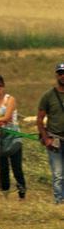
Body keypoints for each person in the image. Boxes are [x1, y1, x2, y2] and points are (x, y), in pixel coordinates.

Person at [37, 62, 64, 205]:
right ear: (56, 75)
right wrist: (45, 137)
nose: (63, 76)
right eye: (60, 73)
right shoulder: (48, 96)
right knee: (58, 174)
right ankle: (59, 202)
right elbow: (40, 119)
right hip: (55, 139)